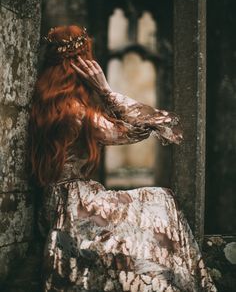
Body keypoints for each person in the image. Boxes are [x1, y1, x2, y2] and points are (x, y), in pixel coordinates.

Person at [29, 25, 216, 292]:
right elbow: (145, 127)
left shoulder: (45, 102)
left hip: (54, 205)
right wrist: (106, 91)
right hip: (72, 208)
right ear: (82, 66)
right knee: (160, 201)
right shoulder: (76, 111)